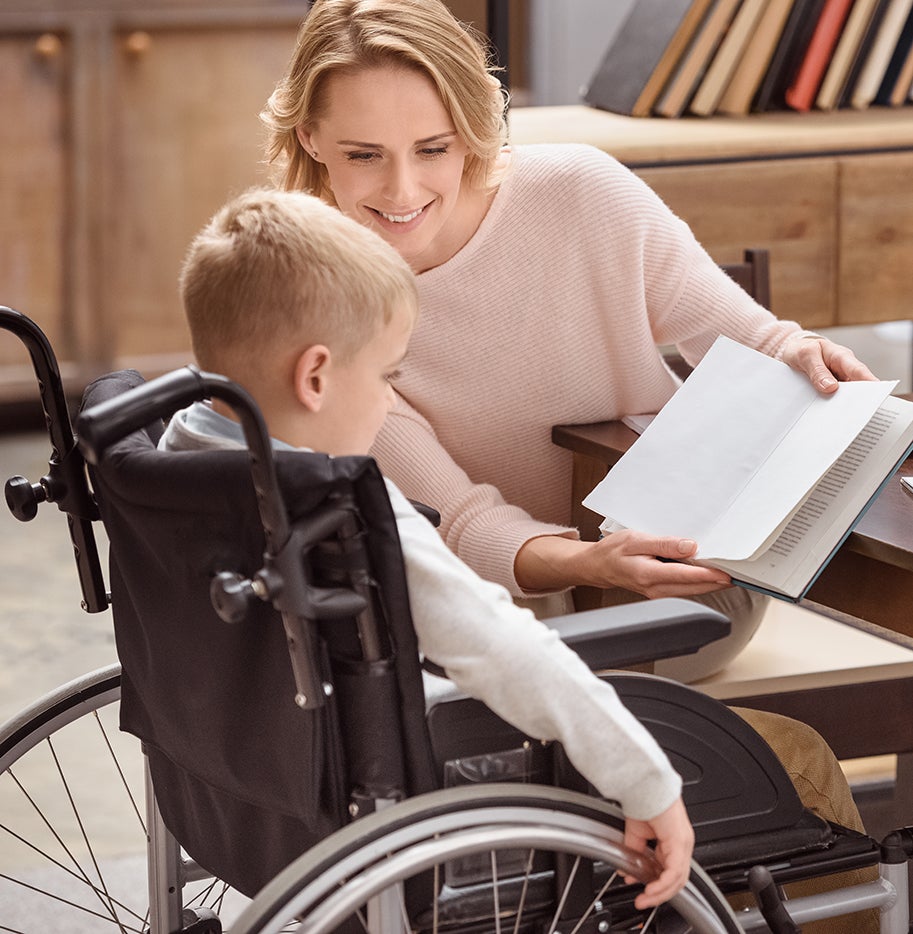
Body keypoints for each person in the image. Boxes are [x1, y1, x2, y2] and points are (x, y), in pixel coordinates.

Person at [258, 3, 880, 930]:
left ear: (475, 128)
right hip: (494, 612)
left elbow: (741, 332)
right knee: (785, 767)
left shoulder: (577, 192)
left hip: (673, 569)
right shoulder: (314, 299)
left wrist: (799, 355)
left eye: (435, 148)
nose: (401, 189)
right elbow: (458, 523)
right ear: (309, 135)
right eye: (362, 155)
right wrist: (581, 563)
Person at [163, 186, 694, 909]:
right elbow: (506, 650)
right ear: (315, 376)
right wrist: (646, 782)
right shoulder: (341, 513)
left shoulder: (172, 453)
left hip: (229, 783)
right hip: (375, 814)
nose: (388, 403)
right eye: (385, 377)